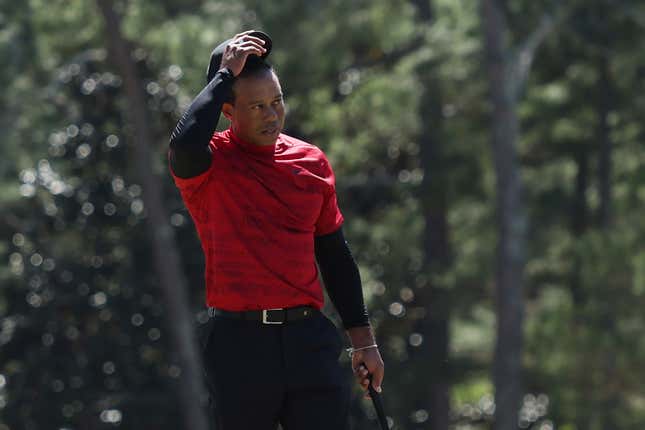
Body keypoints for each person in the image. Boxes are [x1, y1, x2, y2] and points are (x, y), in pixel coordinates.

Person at [168, 30, 384, 429]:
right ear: (228, 110)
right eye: (257, 106)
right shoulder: (208, 165)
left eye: (277, 101)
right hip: (240, 345)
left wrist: (363, 341)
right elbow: (182, 146)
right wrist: (222, 76)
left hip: (309, 340)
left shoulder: (311, 161)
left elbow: (335, 254)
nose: (271, 115)